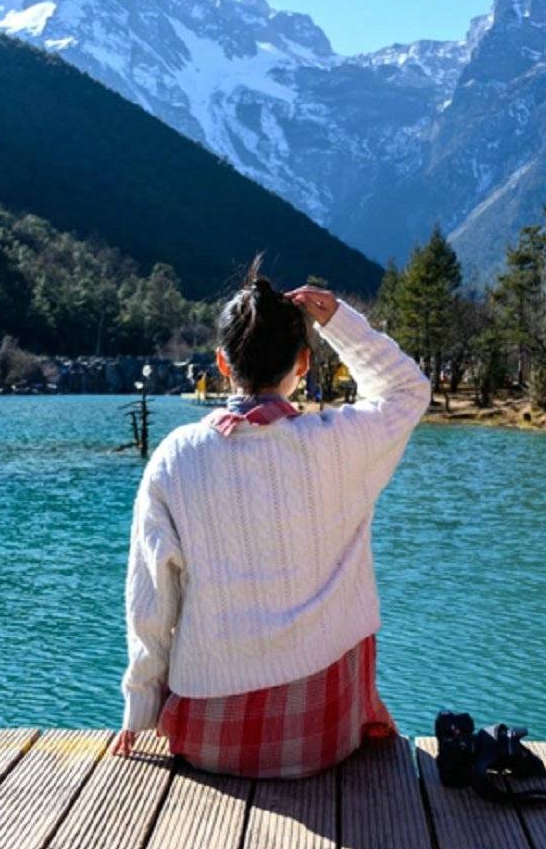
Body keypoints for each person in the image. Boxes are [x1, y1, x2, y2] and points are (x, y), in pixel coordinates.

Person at [115, 261, 430, 778]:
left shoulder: (176, 457)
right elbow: (407, 391)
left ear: (221, 362)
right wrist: (341, 322)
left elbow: (150, 598)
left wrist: (140, 707)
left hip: (210, 738)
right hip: (327, 734)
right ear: (303, 364)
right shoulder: (341, 444)